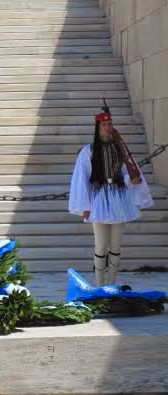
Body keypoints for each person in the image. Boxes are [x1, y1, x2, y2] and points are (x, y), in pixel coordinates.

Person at [69, 108, 153, 286]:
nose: (108, 127)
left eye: (110, 124)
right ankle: (99, 287)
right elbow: (81, 179)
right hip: (99, 198)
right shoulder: (88, 151)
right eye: (104, 124)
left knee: (115, 246)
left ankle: (111, 284)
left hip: (118, 197)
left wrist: (133, 178)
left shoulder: (119, 148)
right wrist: (85, 205)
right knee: (100, 245)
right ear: (98, 127)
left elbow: (127, 170)